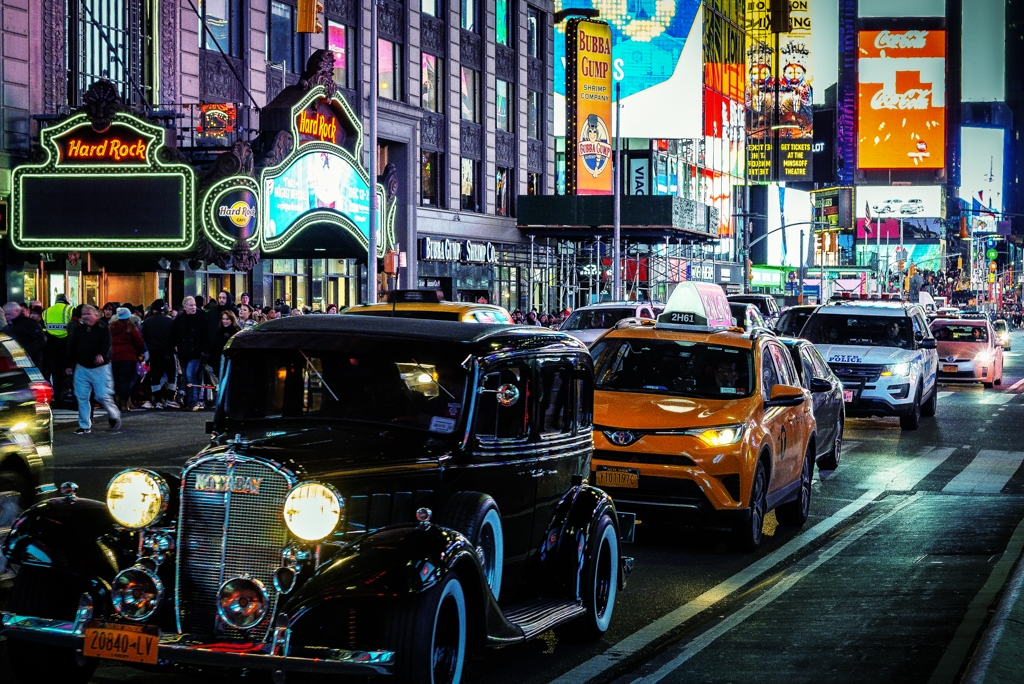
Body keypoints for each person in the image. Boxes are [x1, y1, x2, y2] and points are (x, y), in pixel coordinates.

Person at [66, 305, 121, 434]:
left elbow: (107, 344)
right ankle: (85, 425)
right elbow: (71, 347)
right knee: (81, 396)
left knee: (102, 395)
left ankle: (114, 415)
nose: (85, 316)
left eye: (88, 314)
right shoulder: (79, 330)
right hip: (82, 367)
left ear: (96, 315)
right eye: (83, 314)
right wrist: (68, 365)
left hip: (100, 368)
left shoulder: (103, 329)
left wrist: (102, 355)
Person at [172, 296, 210, 411]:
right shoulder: (179, 320)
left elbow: (206, 336)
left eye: (194, 305)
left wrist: (205, 351)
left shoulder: (201, 318)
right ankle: (188, 400)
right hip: (183, 352)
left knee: (190, 374)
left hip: (196, 352)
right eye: (190, 305)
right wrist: (175, 347)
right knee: (186, 376)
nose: (193, 307)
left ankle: (192, 401)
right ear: (185, 307)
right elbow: (174, 335)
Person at [141, 299, 178, 409]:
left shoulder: (147, 322)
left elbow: (144, 339)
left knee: (155, 377)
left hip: (154, 353)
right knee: (171, 376)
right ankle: (170, 398)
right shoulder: (170, 321)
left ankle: (157, 400)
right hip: (168, 352)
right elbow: (174, 337)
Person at [109, 307, 145, 411]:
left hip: (115, 357)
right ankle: (124, 404)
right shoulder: (131, 327)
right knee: (125, 381)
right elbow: (139, 342)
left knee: (116, 380)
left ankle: (117, 401)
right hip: (128, 357)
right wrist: (140, 353)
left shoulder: (111, 327)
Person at [2, 301, 45, 368]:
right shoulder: (10, 326)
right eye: (5, 315)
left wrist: (24, 351)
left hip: (31, 360)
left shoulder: (30, 324)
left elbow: (40, 341)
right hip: (17, 360)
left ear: (17, 311)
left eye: (8, 314)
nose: (6, 317)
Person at [210, 310, 241, 378]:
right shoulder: (219, 331)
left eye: (227, 319)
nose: (225, 321)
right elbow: (215, 347)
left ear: (232, 319)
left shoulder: (237, 332)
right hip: (219, 361)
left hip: (231, 362)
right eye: (223, 319)